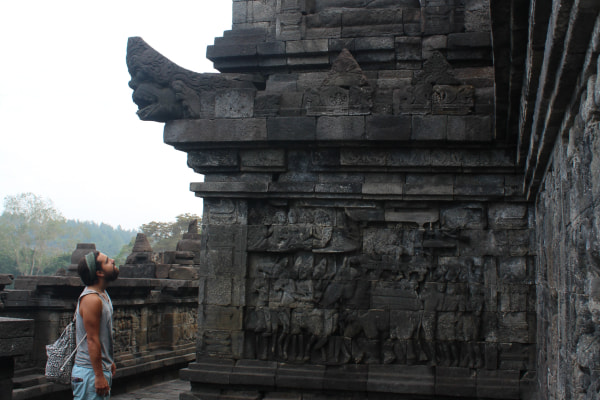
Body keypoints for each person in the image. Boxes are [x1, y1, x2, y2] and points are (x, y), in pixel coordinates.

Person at [72, 251, 119, 399]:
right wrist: (98, 375)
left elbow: (102, 334)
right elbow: (92, 339)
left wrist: (108, 361)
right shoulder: (91, 299)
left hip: (96, 369)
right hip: (89, 372)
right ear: (99, 272)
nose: (112, 260)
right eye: (107, 261)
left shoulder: (102, 294)